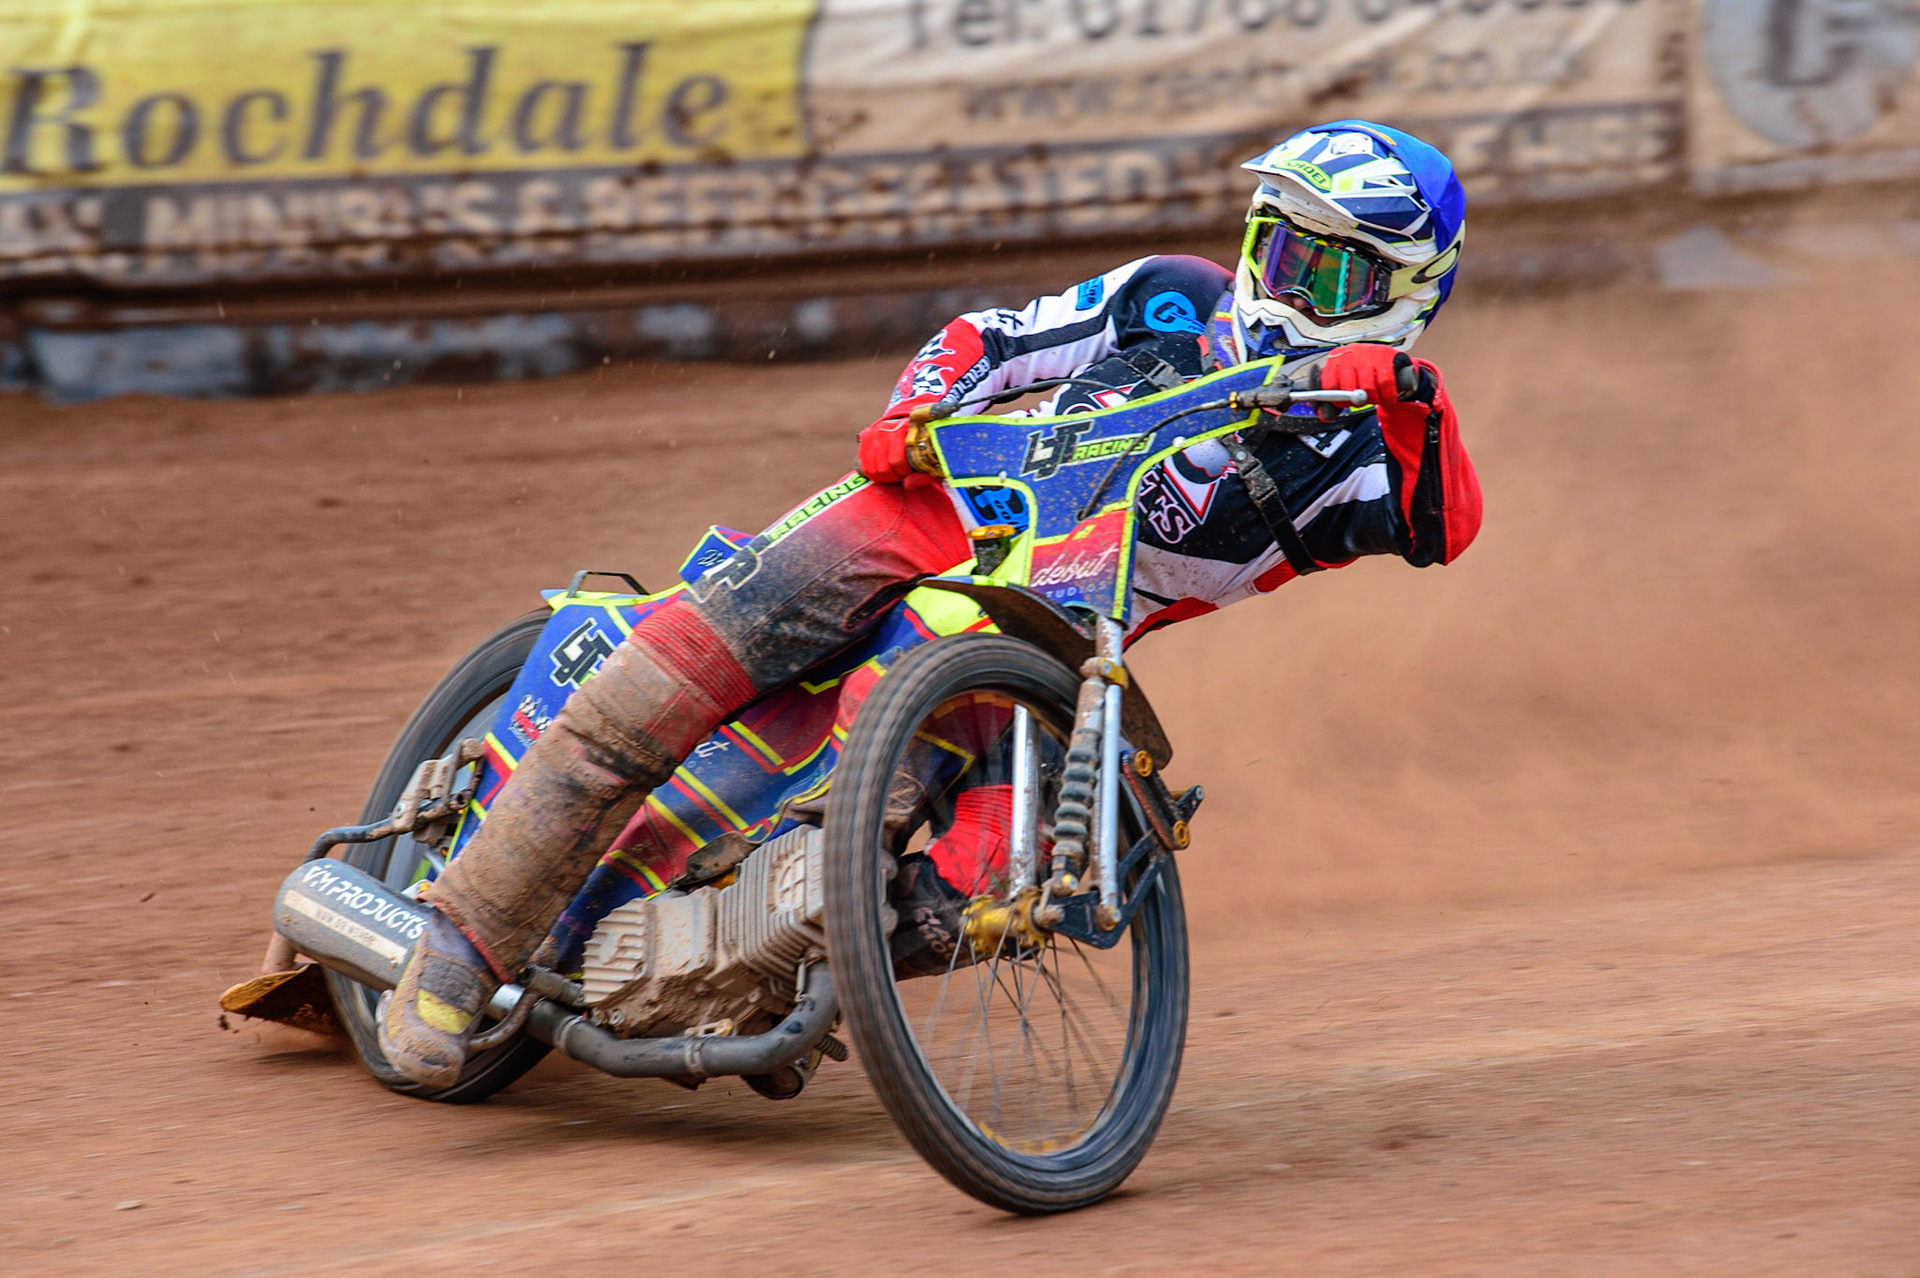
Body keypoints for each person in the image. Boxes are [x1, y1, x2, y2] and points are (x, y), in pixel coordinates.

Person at [379, 119, 1484, 1087]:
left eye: (1331, 274)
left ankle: (762, 967)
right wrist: (915, 414)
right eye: (1279, 249)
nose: (1286, 285)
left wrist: (1406, 407)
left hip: (1046, 634)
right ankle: (458, 951)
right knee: (667, 677)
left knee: (982, 877)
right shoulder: (1173, 297)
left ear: (1406, 294)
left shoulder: (1364, 465)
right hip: (921, 515)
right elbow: (993, 339)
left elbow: (1447, 528)